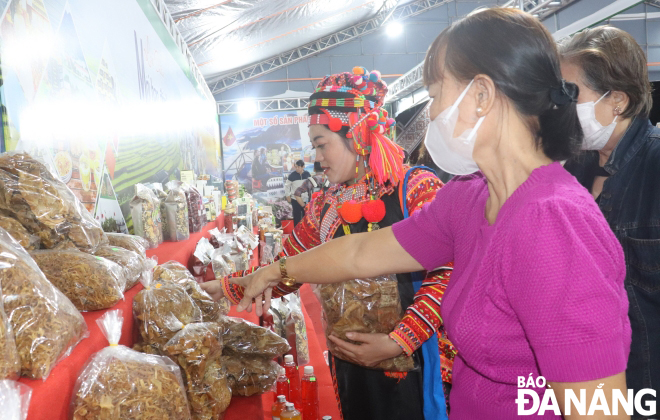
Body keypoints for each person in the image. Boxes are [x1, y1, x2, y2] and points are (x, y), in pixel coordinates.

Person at [227, 8, 632, 420]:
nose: (433, 114)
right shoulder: (471, 196)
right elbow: (361, 253)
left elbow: (597, 408)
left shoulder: (553, 225)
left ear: (481, 96)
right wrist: (278, 271)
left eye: (436, 95)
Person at [203, 68, 455, 420]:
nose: (317, 159)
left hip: (413, 359)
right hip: (349, 362)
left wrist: (399, 340)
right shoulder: (325, 204)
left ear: (357, 134)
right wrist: (226, 287)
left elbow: (448, 270)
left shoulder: (415, 188)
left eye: (322, 145)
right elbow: (288, 267)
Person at [560, 26, 660, 415]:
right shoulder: (570, 171)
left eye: (572, 94)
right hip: (591, 387)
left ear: (617, 99)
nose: (561, 107)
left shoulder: (654, 166)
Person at [285, 160, 310, 225]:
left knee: (306, 217)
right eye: (296, 167)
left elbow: (310, 185)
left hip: (305, 199)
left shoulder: (307, 174)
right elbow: (287, 186)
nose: (297, 169)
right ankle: (296, 232)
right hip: (295, 199)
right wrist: (288, 195)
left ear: (303, 167)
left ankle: (305, 232)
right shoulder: (292, 175)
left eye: (298, 167)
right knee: (297, 217)